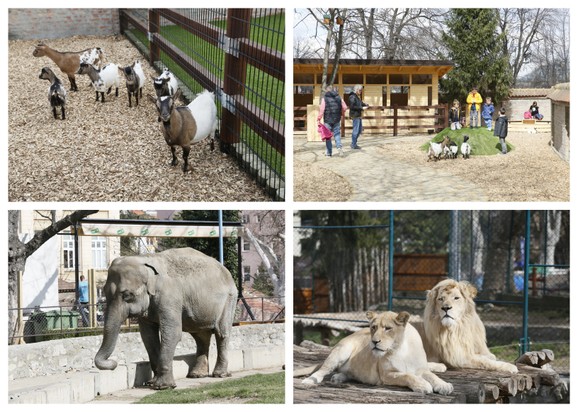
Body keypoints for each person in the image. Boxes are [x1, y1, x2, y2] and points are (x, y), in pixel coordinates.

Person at [317, 84, 347, 157]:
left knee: (328, 136)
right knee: (337, 134)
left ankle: (329, 153)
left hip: (328, 120)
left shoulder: (325, 98)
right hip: (337, 118)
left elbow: (322, 109)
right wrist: (342, 113)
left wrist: (319, 118)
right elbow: (345, 107)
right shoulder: (339, 97)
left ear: (327, 90)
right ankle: (339, 148)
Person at [348, 84, 369, 149]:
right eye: (360, 90)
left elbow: (360, 103)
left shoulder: (357, 97)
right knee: (356, 130)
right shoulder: (352, 97)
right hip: (355, 115)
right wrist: (362, 108)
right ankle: (353, 144)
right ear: (356, 90)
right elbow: (352, 106)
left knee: (359, 130)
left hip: (358, 115)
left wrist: (365, 104)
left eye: (361, 90)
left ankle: (353, 143)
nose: (361, 92)